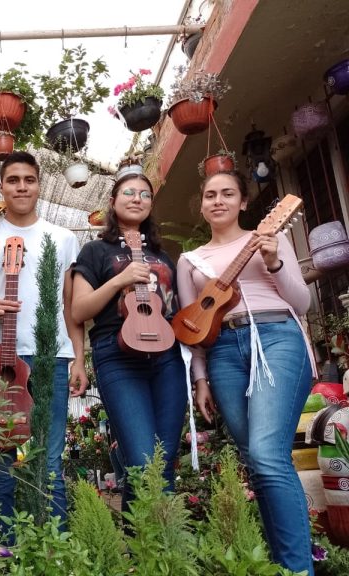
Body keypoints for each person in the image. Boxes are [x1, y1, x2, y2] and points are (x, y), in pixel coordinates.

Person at [176, 170, 314, 575]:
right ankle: (280, 566)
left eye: (228, 193)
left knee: (269, 457)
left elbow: (302, 302)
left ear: (243, 201)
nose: (218, 200)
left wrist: (273, 261)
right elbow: (193, 328)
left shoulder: (268, 239)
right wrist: (200, 378)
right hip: (223, 353)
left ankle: (298, 570)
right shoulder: (190, 261)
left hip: (277, 338)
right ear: (201, 205)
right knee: (256, 462)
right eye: (210, 195)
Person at [0, 151, 88, 536]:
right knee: (1, 457)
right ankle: (3, 547)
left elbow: (70, 305)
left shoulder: (64, 238)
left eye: (28, 179)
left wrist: (79, 359)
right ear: (1, 186)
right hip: (0, 358)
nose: (21, 186)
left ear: (39, 185)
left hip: (52, 354)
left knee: (49, 458)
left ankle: (55, 545)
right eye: (13, 179)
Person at [70, 169, 187, 514]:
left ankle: (158, 554)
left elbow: (176, 308)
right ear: (112, 202)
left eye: (145, 194)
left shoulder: (163, 256)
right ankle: (144, 552)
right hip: (117, 354)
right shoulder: (95, 251)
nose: (137, 198)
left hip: (166, 356)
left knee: (164, 461)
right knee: (140, 460)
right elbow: (78, 310)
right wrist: (118, 280)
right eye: (129, 192)